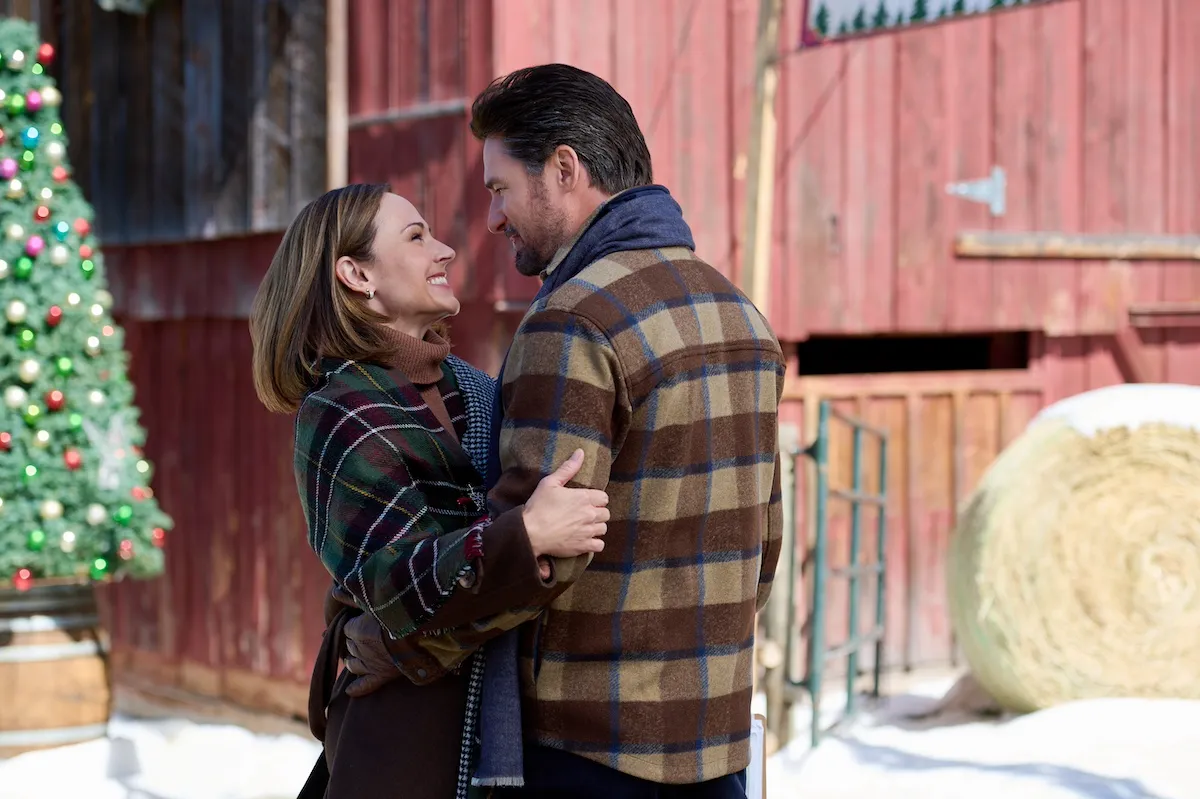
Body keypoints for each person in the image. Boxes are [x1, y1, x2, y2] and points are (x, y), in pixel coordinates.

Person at [344, 64, 786, 798]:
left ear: (565, 169)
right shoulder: (742, 316)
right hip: (716, 747)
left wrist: (399, 643)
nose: (490, 219)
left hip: (591, 754)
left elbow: (539, 555)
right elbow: (761, 546)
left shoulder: (574, 319)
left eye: (498, 188)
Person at [248, 183, 611, 799]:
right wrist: (527, 536)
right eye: (416, 238)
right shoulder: (341, 412)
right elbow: (396, 586)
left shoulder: (472, 390)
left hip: (492, 722)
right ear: (356, 274)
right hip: (404, 740)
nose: (444, 250)